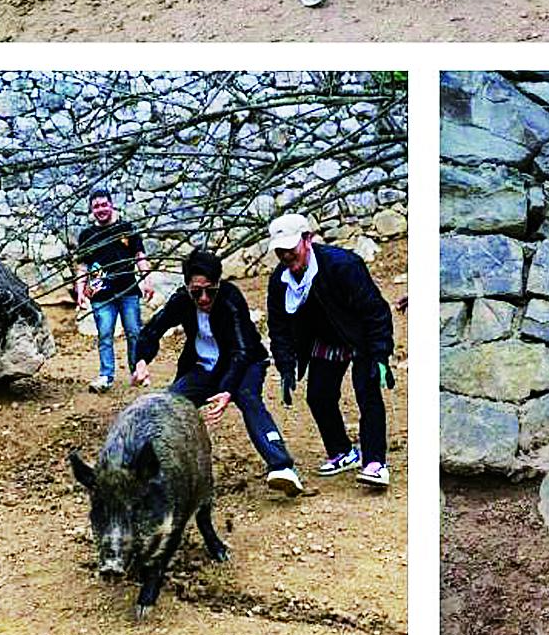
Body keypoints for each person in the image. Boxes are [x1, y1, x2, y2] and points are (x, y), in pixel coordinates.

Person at [131, 248, 302, 497]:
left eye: (209, 290)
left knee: (248, 399)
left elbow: (241, 350)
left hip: (244, 364)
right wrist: (141, 361)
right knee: (168, 405)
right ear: (187, 286)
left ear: (219, 284)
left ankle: (282, 467)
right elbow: (152, 330)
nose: (203, 298)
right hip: (202, 367)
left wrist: (226, 390)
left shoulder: (231, 299)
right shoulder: (181, 300)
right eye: (196, 291)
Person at [265, 212, 396, 489]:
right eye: (280, 251)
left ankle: (375, 463)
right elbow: (279, 328)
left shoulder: (343, 266)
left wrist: (381, 353)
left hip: (360, 337)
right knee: (318, 396)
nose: (287, 256)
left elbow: (376, 311)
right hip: (325, 340)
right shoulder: (280, 282)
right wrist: (286, 366)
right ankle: (343, 451)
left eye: (291, 248)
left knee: (367, 393)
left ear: (307, 240)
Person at [74, 189, 153, 393]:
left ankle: (138, 371)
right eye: (96, 206)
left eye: (103, 204)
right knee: (105, 335)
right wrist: (80, 291)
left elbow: (140, 256)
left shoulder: (126, 229)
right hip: (101, 294)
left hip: (128, 291)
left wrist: (147, 280)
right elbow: (82, 265)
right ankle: (106, 376)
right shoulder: (87, 235)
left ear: (111, 205)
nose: (100, 209)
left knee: (134, 332)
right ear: (91, 210)